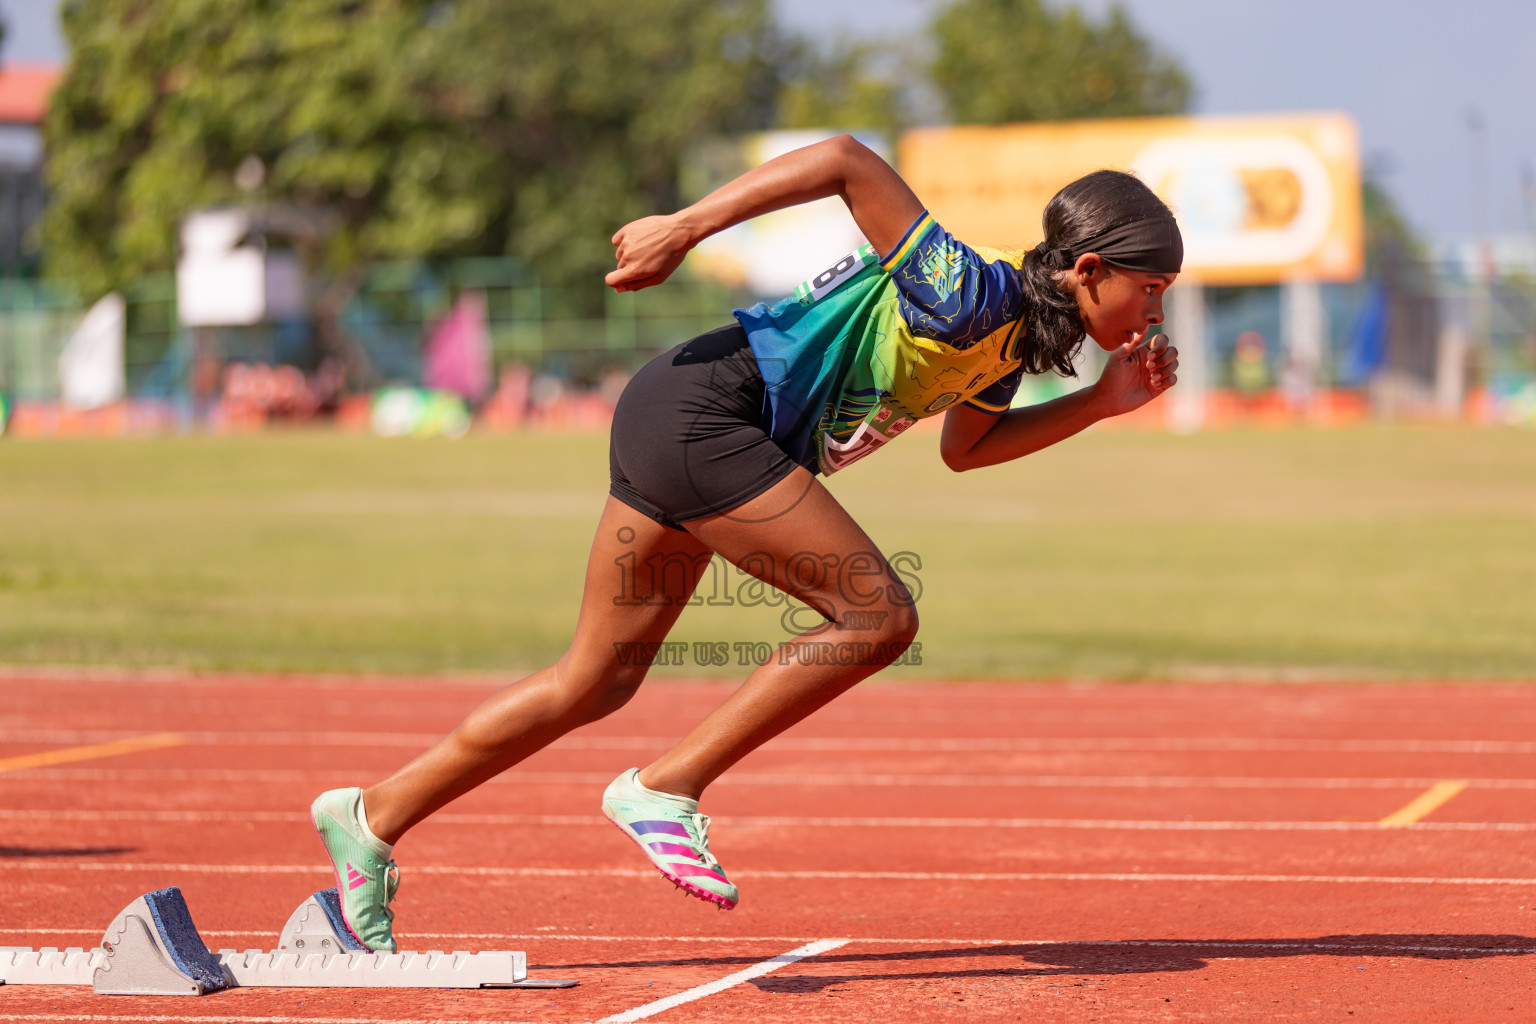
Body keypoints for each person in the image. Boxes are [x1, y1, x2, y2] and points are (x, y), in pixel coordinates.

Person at [309, 134, 1183, 951]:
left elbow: (968, 450)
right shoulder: (972, 293)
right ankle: (665, 787)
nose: (1155, 309)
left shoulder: (1012, 343)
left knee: (593, 681)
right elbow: (846, 160)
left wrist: (1104, 404)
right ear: (1091, 269)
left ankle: (371, 817)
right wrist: (682, 228)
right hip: (707, 414)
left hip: (678, 414)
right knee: (878, 617)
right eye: (1150, 288)